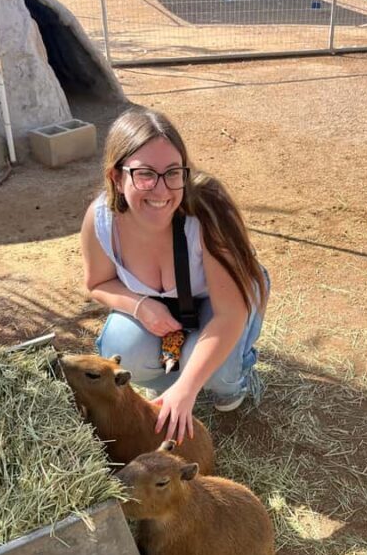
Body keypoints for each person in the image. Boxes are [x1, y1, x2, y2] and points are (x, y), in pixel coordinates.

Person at [81, 106, 269, 444]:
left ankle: (232, 379)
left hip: (223, 298)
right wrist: (141, 306)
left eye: (173, 172)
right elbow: (97, 283)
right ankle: (175, 389)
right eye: (145, 174)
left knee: (220, 373)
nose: (162, 190)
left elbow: (231, 312)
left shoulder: (207, 211)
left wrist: (187, 386)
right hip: (161, 304)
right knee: (121, 347)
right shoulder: (101, 219)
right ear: (116, 177)